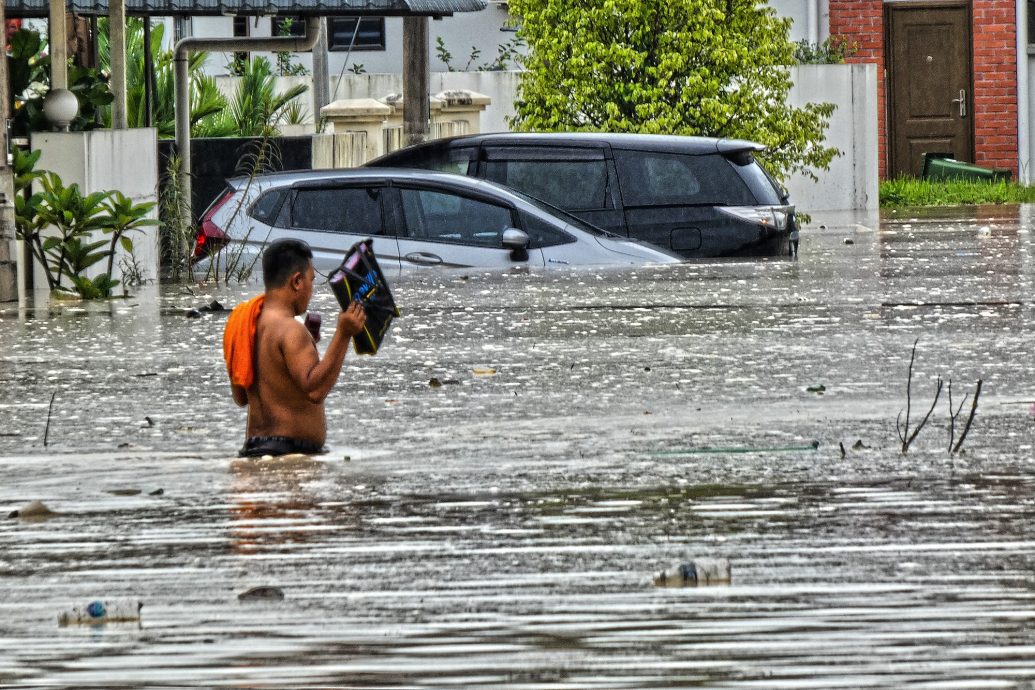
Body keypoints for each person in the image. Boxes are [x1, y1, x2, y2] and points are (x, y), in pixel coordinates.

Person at [223, 239, 366, 457]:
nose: (311, 290)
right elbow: (315, 390)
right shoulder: (291, 330)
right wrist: (343, 334)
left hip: (253, 449)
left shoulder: (244, 324)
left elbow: (241, 397)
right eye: (311, 280)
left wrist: (308, 344)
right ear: (297, 281)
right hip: (290, 454)